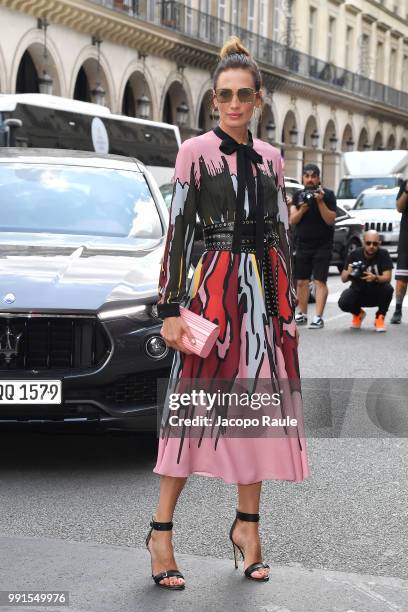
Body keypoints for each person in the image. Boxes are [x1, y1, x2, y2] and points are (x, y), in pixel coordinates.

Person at [146, 36, 310, 590]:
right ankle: (161, 533)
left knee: (255, 419)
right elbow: (178, 232)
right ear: (213, 101)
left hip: (263, 301)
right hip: (212, 296)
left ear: (258, 100)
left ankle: (248, 529)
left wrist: (287, 312)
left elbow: (282, 237)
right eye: (224, 96)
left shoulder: (271, 159)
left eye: (244, 95)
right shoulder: (194, 153)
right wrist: (170, 308)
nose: (234, 104)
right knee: (189, 417)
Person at [289, 164, 337, 329]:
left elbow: (330, 220)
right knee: (301, 282)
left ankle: (318, 317)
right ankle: (302, 314)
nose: (310, 179)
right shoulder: (298, 196)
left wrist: (321, 202)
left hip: (322, 245)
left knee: (319, 281)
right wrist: (301, 210)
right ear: (303, 177)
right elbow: (293, 220)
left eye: (313, 176)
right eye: (307, 176)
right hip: (302, 244)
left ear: (318, 178)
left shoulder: (328, 195)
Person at [338, 230, 393, 332]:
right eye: (368, 243)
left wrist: (375, 277)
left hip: (377, 292)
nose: (371, 246)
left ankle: (380, 317)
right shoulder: (355, 254)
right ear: (363, 242)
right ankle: (358, 314)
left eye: (375, 243)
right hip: (358, 291)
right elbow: (343, 279)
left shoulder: (383, 254)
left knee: (388, 288)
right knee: (343, 301)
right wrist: (349, 271)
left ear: (379, 243)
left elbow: (388, 277)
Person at [390, 179, 408, 324]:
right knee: (402, 275)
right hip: (406, 238)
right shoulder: (406, 184)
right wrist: (407, 190)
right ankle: (397, 309)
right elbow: (399, 207)